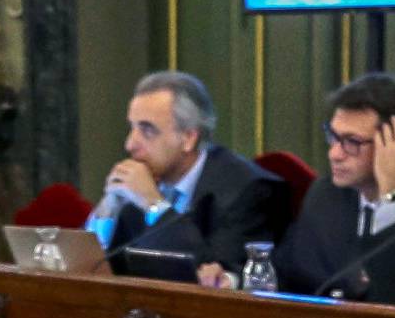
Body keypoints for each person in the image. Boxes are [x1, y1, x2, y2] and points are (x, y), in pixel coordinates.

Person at [270, 74, 395, 306]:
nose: (334, 154)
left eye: (352, 142)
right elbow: (285, 275)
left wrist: (392, 196)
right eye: (333, 136)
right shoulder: (325, 194)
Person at [93, 71, 285, 283]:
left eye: (147, 130)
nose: (129, 144)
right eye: (132, 128)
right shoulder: (141, 183)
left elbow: (215, 276)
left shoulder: (246, 189)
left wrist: (154, 205)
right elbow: (96, 267)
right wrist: (108, 209)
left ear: (188, 138)